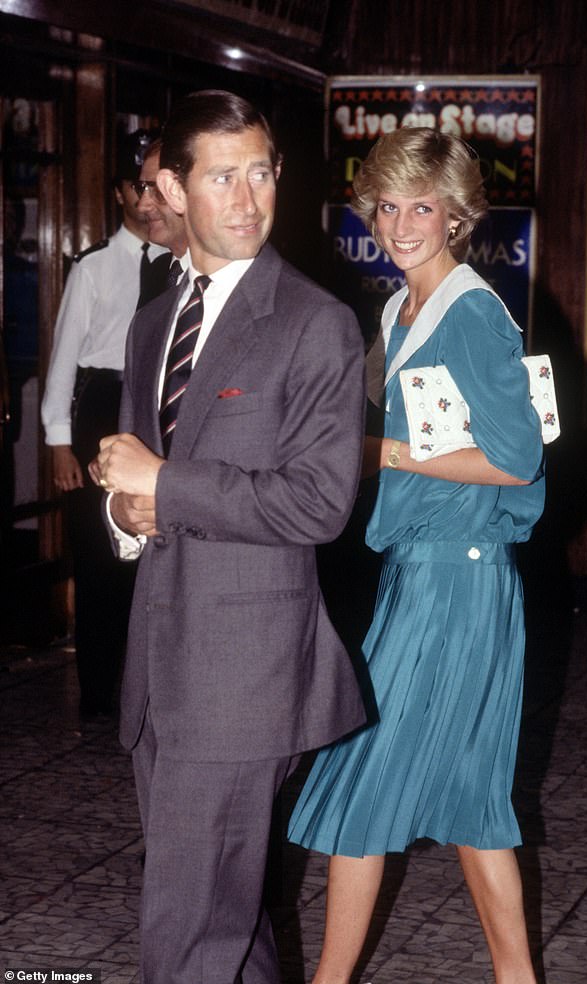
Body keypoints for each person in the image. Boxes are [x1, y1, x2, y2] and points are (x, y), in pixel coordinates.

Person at [90, 90, 367, 984]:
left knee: (188, 935)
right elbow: (137, 482)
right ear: (170, 186)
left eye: (261, 173)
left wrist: (165, 487)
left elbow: (319, 503)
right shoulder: (149, 324)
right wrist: (127, 514)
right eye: (221, 177)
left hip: (245, 677)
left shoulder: (314, 324)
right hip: (158, 670)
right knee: (228, 926)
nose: (248, 200)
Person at [287, 126, 545, 984]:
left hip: (458, 579)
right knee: (471, 801)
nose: (400, 225)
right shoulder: (402, 310)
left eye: (420, 207)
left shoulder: (468, 313)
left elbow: (515, 457)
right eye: (388, 206)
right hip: (420, 572)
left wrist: (384, 454)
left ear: (457, 214)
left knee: (363, 781)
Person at [40, 128, 169, 717]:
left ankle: (150, 693)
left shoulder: (182, 266)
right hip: (100, 406)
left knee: (153, 553)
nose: (148, 202)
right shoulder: (93, 267)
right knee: (98, 559)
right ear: (120, 193)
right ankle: (95, 695)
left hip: (158, 408)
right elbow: (63, 359)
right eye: (136, 188)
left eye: (156, 189)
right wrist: (58, 444)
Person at [132, 138, 189, 283]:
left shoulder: (226, 276)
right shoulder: (156, 273)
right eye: (141, 188)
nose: (142, 206)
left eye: (158, 190)